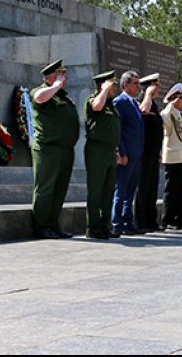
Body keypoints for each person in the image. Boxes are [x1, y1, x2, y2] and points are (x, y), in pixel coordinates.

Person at [30, 59, 80, 240]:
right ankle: (41, 226)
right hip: (48, 149)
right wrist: (56, 86)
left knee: (60, 189)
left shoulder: (63, 96)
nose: (65, 78)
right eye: (61, 75)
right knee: (46, 188)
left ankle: (53, 224)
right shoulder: (41, 91)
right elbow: (39, 98)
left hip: (65, 149)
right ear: (51, 77)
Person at [84, 71, 121, 240]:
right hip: (96, 151)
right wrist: (104, 91)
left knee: (108, 191)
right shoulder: (94, 99)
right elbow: (96, 107)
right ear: (103, 85)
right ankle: (93, 227)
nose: (115, 88)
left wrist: (117, 150)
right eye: (112, 85)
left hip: (110, 151)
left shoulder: (111, 105)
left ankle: (106, 225)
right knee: (96, 190)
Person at [112, 71, 146, 236]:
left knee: (130, 192)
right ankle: (117, 222)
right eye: (135, 84)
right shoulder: (120, 102)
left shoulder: (134, 103)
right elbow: (119, 130)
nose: (138, 87)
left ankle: (128, 222)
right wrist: (122, 152)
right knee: (121, 191)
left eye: (138, 83)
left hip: (137, 154)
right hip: (127, 155)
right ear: (125, 85)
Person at [161, 83, 182, 230]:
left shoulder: (181, 115)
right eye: (181, 98)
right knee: (172, 190)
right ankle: (168, 219)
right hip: (173, 157)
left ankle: (179, 219)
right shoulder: (168, 113)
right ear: (174, 100)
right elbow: (165, 123)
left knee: (181, 190)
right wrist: (170, 105)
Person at [135, 73, 163, 232]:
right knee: (143, 187)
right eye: (155, 86)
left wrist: (159, 150)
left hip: (153, 150)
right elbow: (143, 111)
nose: (158, 89)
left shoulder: (153, 104)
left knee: (152, 187)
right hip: (144, 151)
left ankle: (151, 220)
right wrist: (147, 94)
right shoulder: (143, 101)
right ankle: (141, 221)